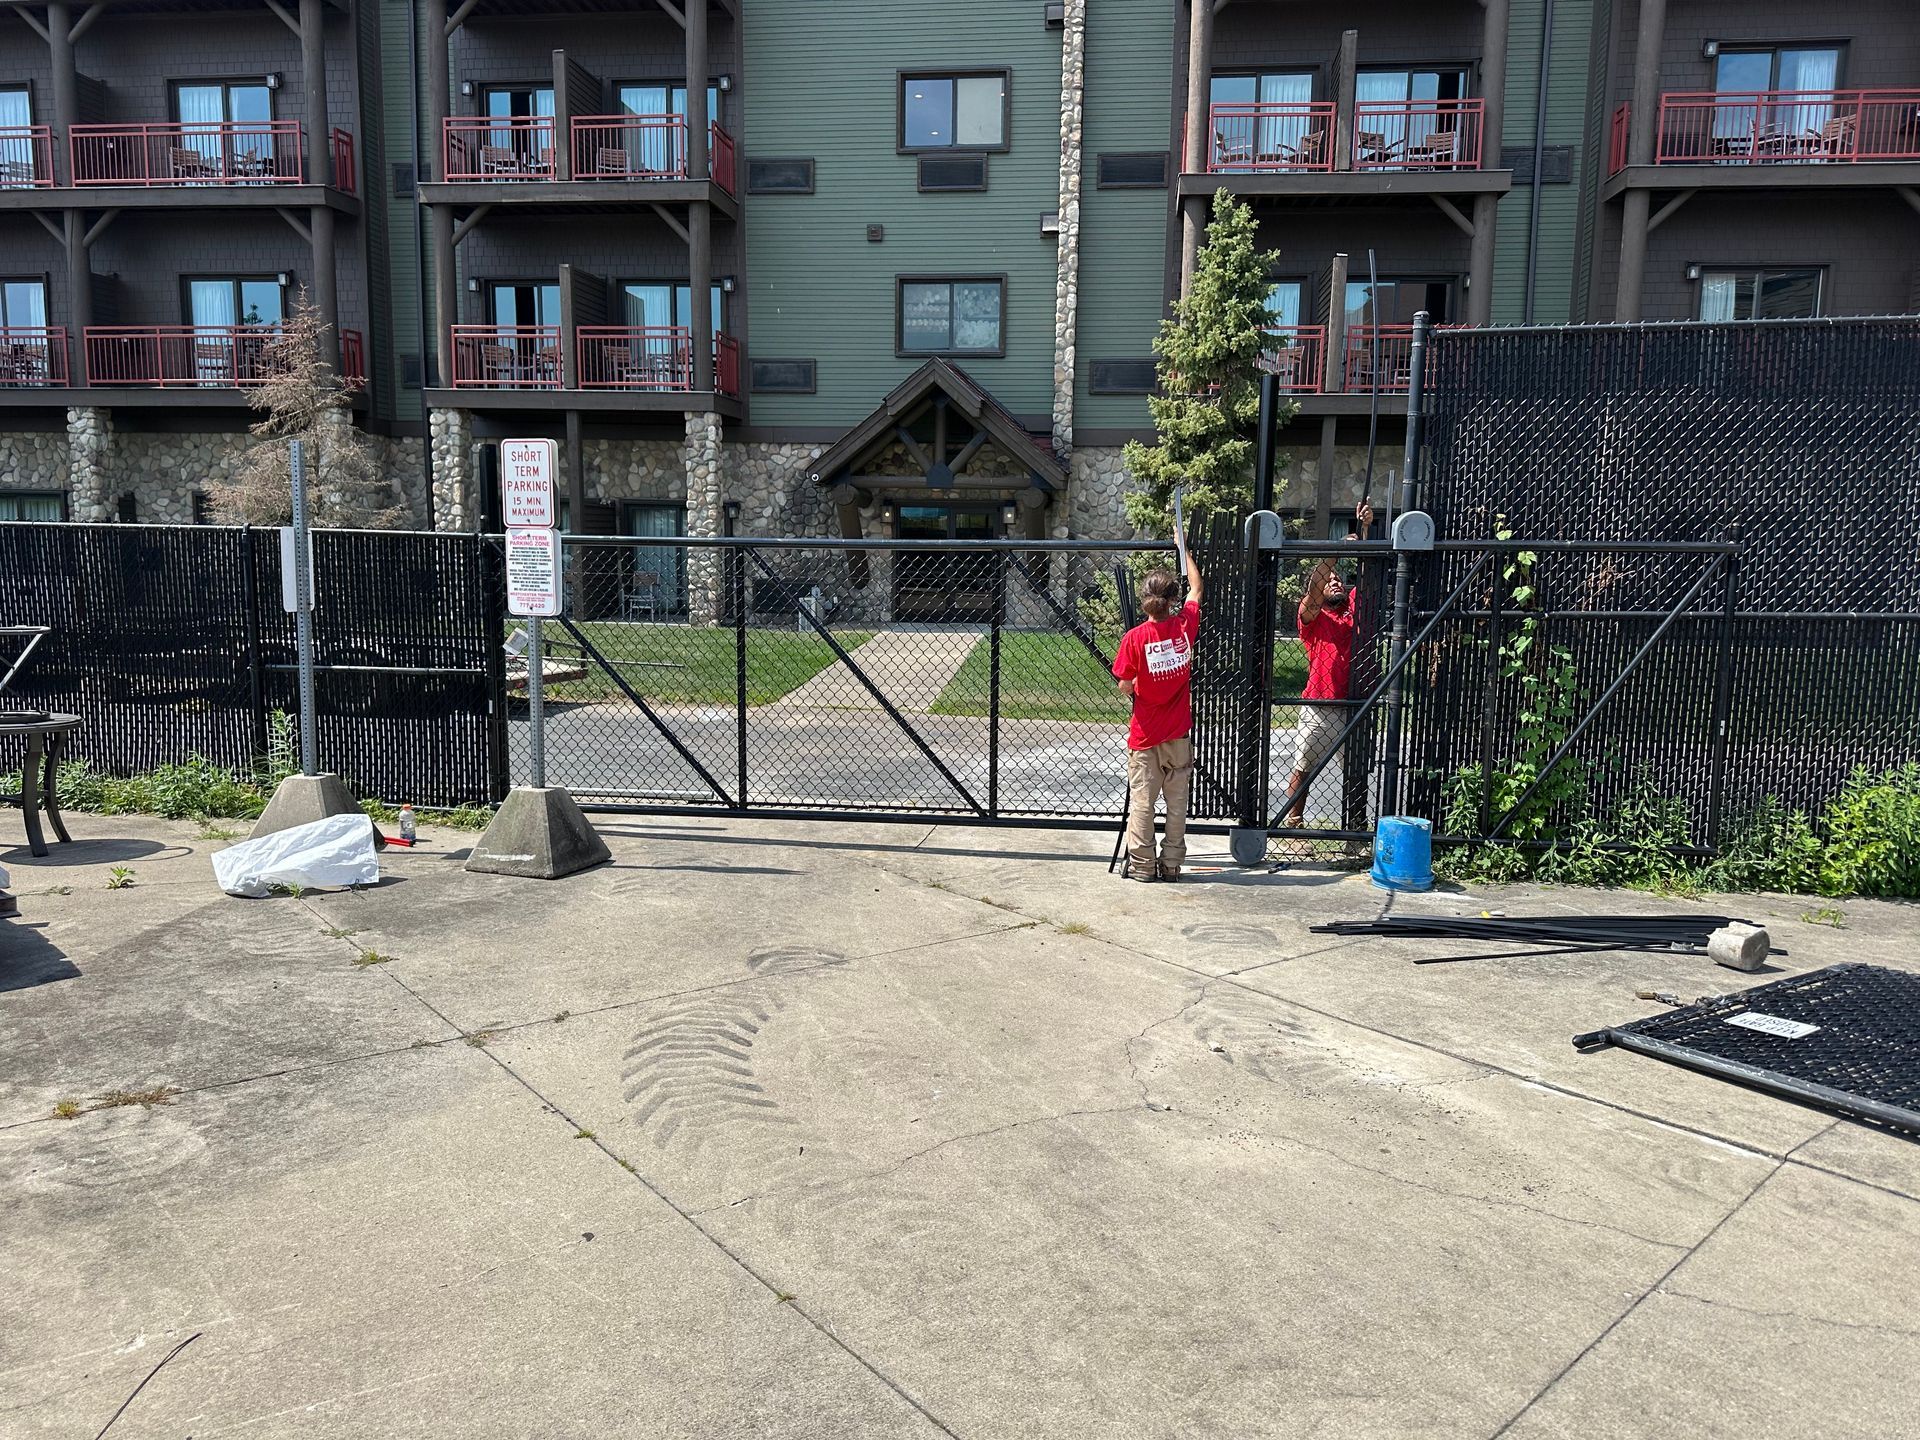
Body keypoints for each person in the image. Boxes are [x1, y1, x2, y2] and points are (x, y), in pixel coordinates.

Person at [1111, 550, 1204, 881]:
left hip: (1146, 735)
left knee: (1143, 804)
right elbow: (1197, 587)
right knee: (1176, 806)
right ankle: (1172, 865)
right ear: (1172, 600)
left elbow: (1124, 684)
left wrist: (1137, 684)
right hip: (1178, 734)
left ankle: (1142, 865)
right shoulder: (1183, 628)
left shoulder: (1134, 639)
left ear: (1145, 599)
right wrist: (1185, 549)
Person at [1281, 500, 1373, 829]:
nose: (1335, 581)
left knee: (1356, 769)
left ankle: (1356, 827)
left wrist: (1364, 532)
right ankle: (1293, 823)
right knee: (1303, 766)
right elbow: (1315, 589)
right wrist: (1335, 553)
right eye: (1329, 579)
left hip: (1354, 704)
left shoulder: (1354, 608)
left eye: (1338, 579)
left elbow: (1369, 575)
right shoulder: (1314, 618)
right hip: (1319, 705)